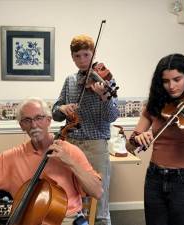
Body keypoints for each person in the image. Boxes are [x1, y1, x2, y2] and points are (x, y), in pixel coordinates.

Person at [0, 98, 103, 225]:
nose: (33, 125)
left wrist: (70, 162)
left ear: (48, 120)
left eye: (39, 118)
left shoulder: (70, 151)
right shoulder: (14, 156)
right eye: (27, 120)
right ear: (21, 126)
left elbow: (97, 191)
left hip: (66, 219)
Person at [128, 53, 184, 225]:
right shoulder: (155, 105)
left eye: (177, 79)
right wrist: (137, 139)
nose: (171, 86)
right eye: (166, 81)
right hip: (155, 177)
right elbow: (129, 147)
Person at [52, 35, 119, 225]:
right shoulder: (69, 81)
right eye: (77, 56)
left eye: (86, 55)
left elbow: (112, 116)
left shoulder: (106, 81)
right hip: (71, 144)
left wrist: (104, 97)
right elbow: (56, 113)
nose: (82, 60)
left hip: (95, 145)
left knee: (100, 200)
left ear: (93, 54)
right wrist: (61, 109)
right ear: (72, 57)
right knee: (72, 198)